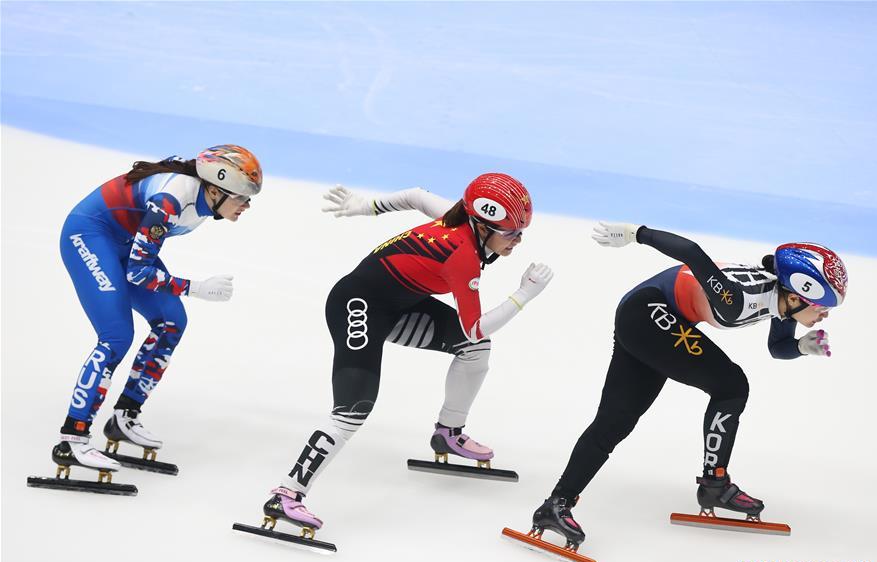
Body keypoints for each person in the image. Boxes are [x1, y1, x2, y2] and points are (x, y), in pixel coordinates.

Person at [259, 173, 553, 536]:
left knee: (474, 351)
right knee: (353, 409)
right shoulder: (462, 257)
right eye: (511, 233)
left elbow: (415, 195)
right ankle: (286, 493)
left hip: (397, 308)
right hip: (357, 307)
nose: (518, 241)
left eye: (521, 232)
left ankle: (448, 432)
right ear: (482, 225)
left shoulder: (456, 215)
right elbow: (475, 325)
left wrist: (365, 207)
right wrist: (524, 294)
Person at [529, 221, 847, 550]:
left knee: (615, 421)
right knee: (731, 385)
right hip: (648, 312)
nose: (825, 315)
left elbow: (777, 348)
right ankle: (715, 484)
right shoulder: (738, 299)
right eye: (823, 307)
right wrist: (635, 233)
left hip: (650, 315)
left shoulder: (781, 302)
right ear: (796, 297)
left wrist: (801, 347)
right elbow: (692, 253)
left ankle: (556, 505)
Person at [53, 145, 262, 481]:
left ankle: (124, 417)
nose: (248, 205)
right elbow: (138, 273)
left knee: (171, 322)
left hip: (123, 242)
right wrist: (196, 287)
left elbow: (141, 259)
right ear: (215, 188)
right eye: (242, 196)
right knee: (116, 337)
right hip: (89, 236)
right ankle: (72, 438)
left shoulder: (203, 203)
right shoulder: (171, 199)